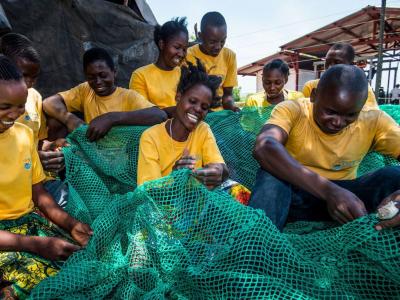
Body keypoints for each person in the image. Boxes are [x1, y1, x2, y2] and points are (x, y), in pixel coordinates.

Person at [250, 64, 400, 231]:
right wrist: (330, 192)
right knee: (271, 174)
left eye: (350, 115)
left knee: (393, 175)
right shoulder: (293, 109)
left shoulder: (376, 120)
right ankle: (258, 242)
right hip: (296, 196)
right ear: (314, 96)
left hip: (350, 202)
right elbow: (264, 147)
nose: (338, 122)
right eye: (330, 112)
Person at [0, 55, 92, 299]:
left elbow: (39, 194)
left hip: (30, 223)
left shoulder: (22, 134)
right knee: (39, 282)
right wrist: (34, 244)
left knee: (81, 265)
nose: (14, 114)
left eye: (20, 106)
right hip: (6, 239)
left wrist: (71, 224)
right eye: (5, 107)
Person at [137, 62, 250, 204]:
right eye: (192, 101)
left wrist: (217, 172)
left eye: (204, 107)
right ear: (178, 97)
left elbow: (221, 168)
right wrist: (175, 176)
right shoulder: (150, 137)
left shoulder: (203, 129)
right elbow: (147, 194)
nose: (197, 109)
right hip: (165, 205)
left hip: (196, 199)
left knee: (237, 191)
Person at [0, 33, 69, 207]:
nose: (30, 83)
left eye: (34, 77)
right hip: (12, 190)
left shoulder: (34, 98)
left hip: (39, 182)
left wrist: (53, 148)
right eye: (24, 75)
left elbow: (37, 142)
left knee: (72, 202)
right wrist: (34, 159)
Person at [43, 47, 167, 142]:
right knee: (55, 122)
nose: (98, 82)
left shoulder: (128, 96)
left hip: (120, 158)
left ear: (114, 72)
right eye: (91, 77)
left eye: (103, 75)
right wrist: (70, 119)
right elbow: (48, 103)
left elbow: (159, 115)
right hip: (92, 152)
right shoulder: (85, 89)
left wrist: (111, 118)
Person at [129, 17, 188, 111]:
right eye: (177, 47)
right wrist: (179, 111)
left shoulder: (185, 74)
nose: (181, 54)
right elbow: (142, 114)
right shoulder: (140, 76)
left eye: (184, 49)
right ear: (162, 44)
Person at [186, 11, 239, 112]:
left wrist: (233, 108)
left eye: (222, 41)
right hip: (195, 111)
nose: (218, 47)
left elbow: (227, 95)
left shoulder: (229, 56)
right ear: (200, 36)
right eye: (212, 42)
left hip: (219, 115)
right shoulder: (188, 55)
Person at [302, 43, 379, 109]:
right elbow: (306, 115)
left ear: (350, 65)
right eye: (327, 62)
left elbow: (372, 116)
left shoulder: (362, 89)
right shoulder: (311, 86)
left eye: (337, 62)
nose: (329, 67)